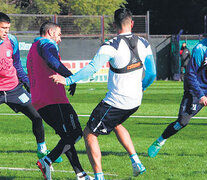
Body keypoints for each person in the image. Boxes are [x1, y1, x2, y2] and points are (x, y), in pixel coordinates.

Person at [51, 8, 156, 179]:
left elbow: (92, 68)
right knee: (115, 124)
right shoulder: (144, 43)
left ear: (114, 25)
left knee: (89, 133)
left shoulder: (111, 45)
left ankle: (99, 177)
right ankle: (136, 162)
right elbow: (151, 74)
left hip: (117, 102)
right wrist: (141, 88)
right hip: (135, 102)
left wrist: (68, 80)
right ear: (132, 23)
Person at [27, 21, 93, 180]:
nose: (60, 39)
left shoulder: (33, 48)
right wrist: (71, 77)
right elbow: (52, 61)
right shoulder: (46, 44)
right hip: (54, 99)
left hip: (39, 100)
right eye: (59, 34)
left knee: (66, 137)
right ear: (50, 32)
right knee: (76, 133)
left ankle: (80, 174)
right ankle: (47, 160)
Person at [0, 12, 61, 162]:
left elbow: (17, 65)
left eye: (8, 28)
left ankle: (42, 149)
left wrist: (28, 84)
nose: (6, 31)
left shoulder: (12, 41)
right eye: (3, 28)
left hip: (15, 89)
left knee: (37, 115)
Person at [148, 38, 207, 158]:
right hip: (195, 91)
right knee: (182, 122)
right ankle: (160, 141)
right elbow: (190, 74)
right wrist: (200, 95)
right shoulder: (200, 49)